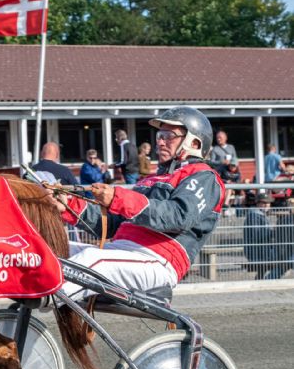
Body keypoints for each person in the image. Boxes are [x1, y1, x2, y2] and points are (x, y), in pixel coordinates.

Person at [55, 106, 224, 302]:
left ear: (194, 142)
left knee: (90, 259)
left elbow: (178, 216)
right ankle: (19, 318)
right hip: (122, 252)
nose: (159, 141)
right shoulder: (152, 178)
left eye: (169, 136)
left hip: (158, 260)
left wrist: (119, 199)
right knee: (51, 247)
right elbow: (111, 225)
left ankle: (36, 295)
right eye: (160, 135)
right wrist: (67, 205)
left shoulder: (205, 177)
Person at [243, 194, 274, 279]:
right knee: (282, 260)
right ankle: (267, 280)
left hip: (262, 249)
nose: (267, 205)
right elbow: (256, 235)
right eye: (264, 202)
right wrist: (273, 234)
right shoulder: (253, 215)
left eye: (268, 203)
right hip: (256, 251)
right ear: (257, 203)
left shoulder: (260, 214)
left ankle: (261, 279)